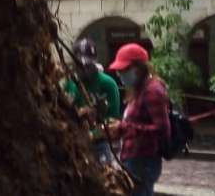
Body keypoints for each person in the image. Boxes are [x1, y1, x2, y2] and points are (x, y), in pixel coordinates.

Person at [108, 43, 170, 196]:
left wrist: (124, 128)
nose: (119, 74)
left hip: (143, 162)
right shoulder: (139, 89)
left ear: (139, 68)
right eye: (118, 70)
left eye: (124, 70)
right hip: (134, 159)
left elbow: (162, 130)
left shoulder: (153, 91)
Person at [63, 37, 121, 165]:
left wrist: (92, 134)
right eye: (80, 65)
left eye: (87, 65)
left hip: (101, 144)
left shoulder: (107, 84)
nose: (84, 68)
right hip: (74, 143)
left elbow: (113, 119)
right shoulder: (71, 83)